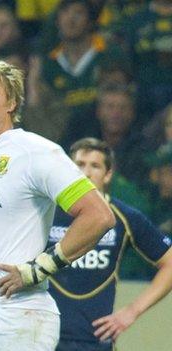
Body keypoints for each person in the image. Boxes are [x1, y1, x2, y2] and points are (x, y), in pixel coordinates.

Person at [0, 56, 116, 350]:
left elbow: (99, 216)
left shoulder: (36, 151)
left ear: (12, 103)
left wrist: (37, 269)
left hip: (21, 316)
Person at [48, 137, 172, 350]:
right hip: (44, 338)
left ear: (108, 175)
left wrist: (132, 311)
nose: (85, 173)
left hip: (95, 341)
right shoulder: (45, 213)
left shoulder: (123, 216)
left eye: (94, 166)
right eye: (79, 165)